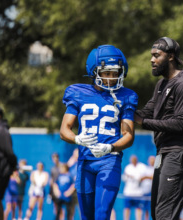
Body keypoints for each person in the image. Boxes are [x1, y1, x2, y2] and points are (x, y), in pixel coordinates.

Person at [59, 45, 137, 220]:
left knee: (102, 214)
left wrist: (110, 147)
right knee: (87, 217)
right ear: (94, 72)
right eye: (106, 73)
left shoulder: (126, 96)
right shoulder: (77, 93)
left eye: (115, 72)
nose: (111, 77)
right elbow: (64, 130)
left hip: (110, 160)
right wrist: (77, 139)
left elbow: (129, 135)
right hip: (85, 162)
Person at [134, 37, 183, 220]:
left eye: (157, 55)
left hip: (180, 152)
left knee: (165, 214)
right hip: (164, 152)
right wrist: (123, 111)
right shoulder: (161, 84)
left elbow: (180, 124)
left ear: (171, 57)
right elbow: (147, 111)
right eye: (151, 55)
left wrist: (142, 122)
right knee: (158, 213)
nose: (152, 60)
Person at [122, 155, 146, 220]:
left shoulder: (142, 167)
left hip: (138, 192)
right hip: (128, 192)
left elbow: (143, 178)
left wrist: (133, 177)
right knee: (127, 208)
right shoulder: (128, 167)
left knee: (139, 208)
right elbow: (124, 178)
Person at [140, 156, 155, 220]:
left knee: (152, 208)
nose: (151, 161)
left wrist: (146, 177)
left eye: (153, 159)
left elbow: (153, 177)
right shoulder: (145, 168)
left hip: (153, 192)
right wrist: (148, 177)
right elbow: (141, 178)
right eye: (150, 159)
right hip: (145, 191)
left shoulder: (156, 169)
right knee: (143, 208)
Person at [49, 153, 63, 220]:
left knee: (61, 207)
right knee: (55, 206)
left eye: (56, 157)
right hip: (53, 191)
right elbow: (51, 180)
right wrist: (50, 192)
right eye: (53, 158)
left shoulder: (62, 167)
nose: (55, 159)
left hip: (61, 189)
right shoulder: (52, 169)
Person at [67, 149, 79, 220]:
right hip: (71, 189)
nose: (75, 155)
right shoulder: (71, 163)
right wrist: (68, 164)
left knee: (82, 209)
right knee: (71, 209)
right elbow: (63, 171)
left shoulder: (82, 162)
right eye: (74, 153)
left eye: (76, 153)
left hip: (79, 189)